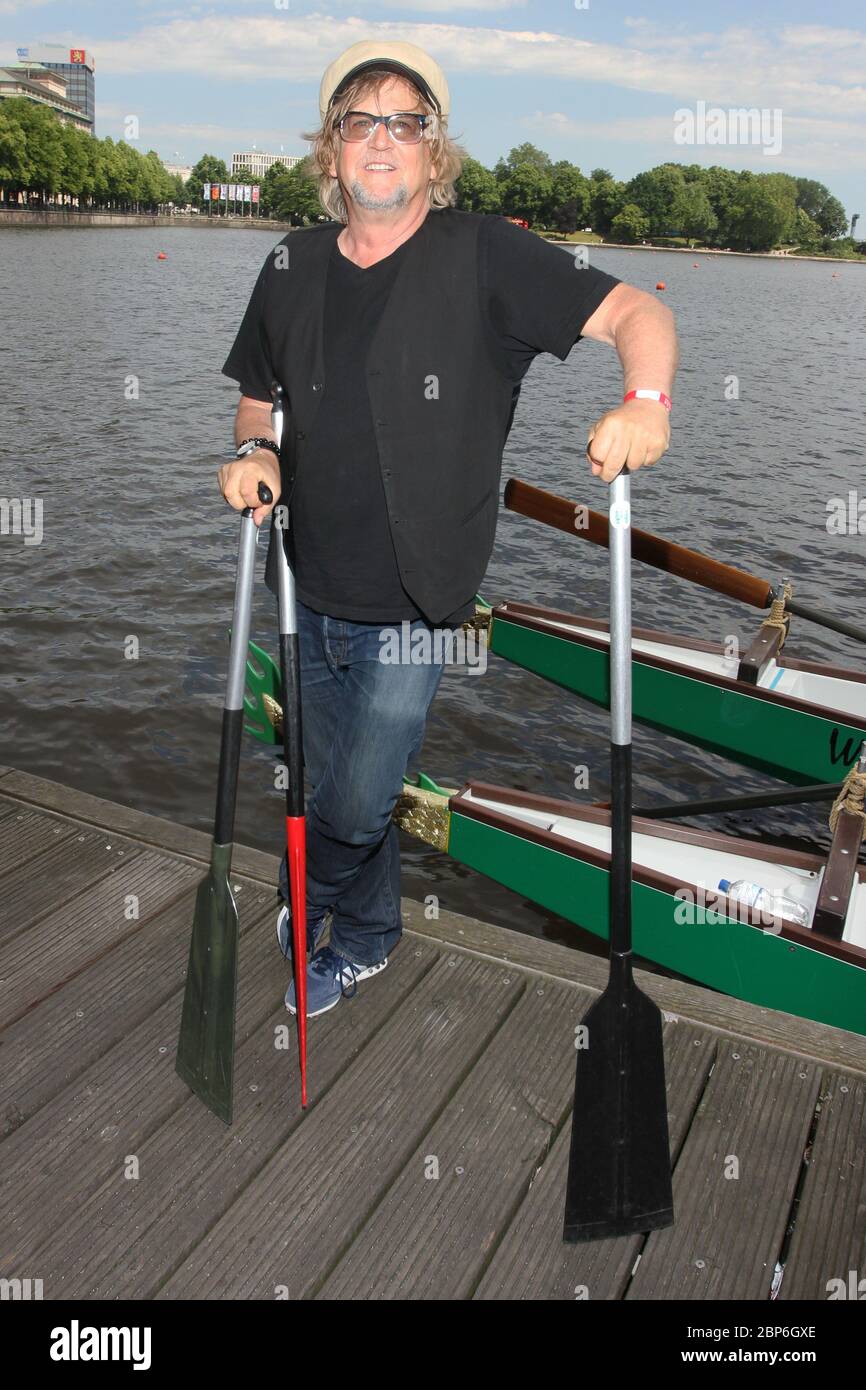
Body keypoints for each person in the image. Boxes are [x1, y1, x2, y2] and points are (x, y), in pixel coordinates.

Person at [218, 39, 678, 1018]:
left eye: (405, 122)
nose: (381, 141)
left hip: (415, 606)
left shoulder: (486, 254)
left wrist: (643, 400)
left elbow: (637, 309)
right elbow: (256, 396)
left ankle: (312, 900)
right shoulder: (289, 261)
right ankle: (373, 933)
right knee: (326, 781)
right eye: (359, 120)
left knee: (346, 801)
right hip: (303, 589)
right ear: (329, 147)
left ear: (434, 151)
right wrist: (256, 452)